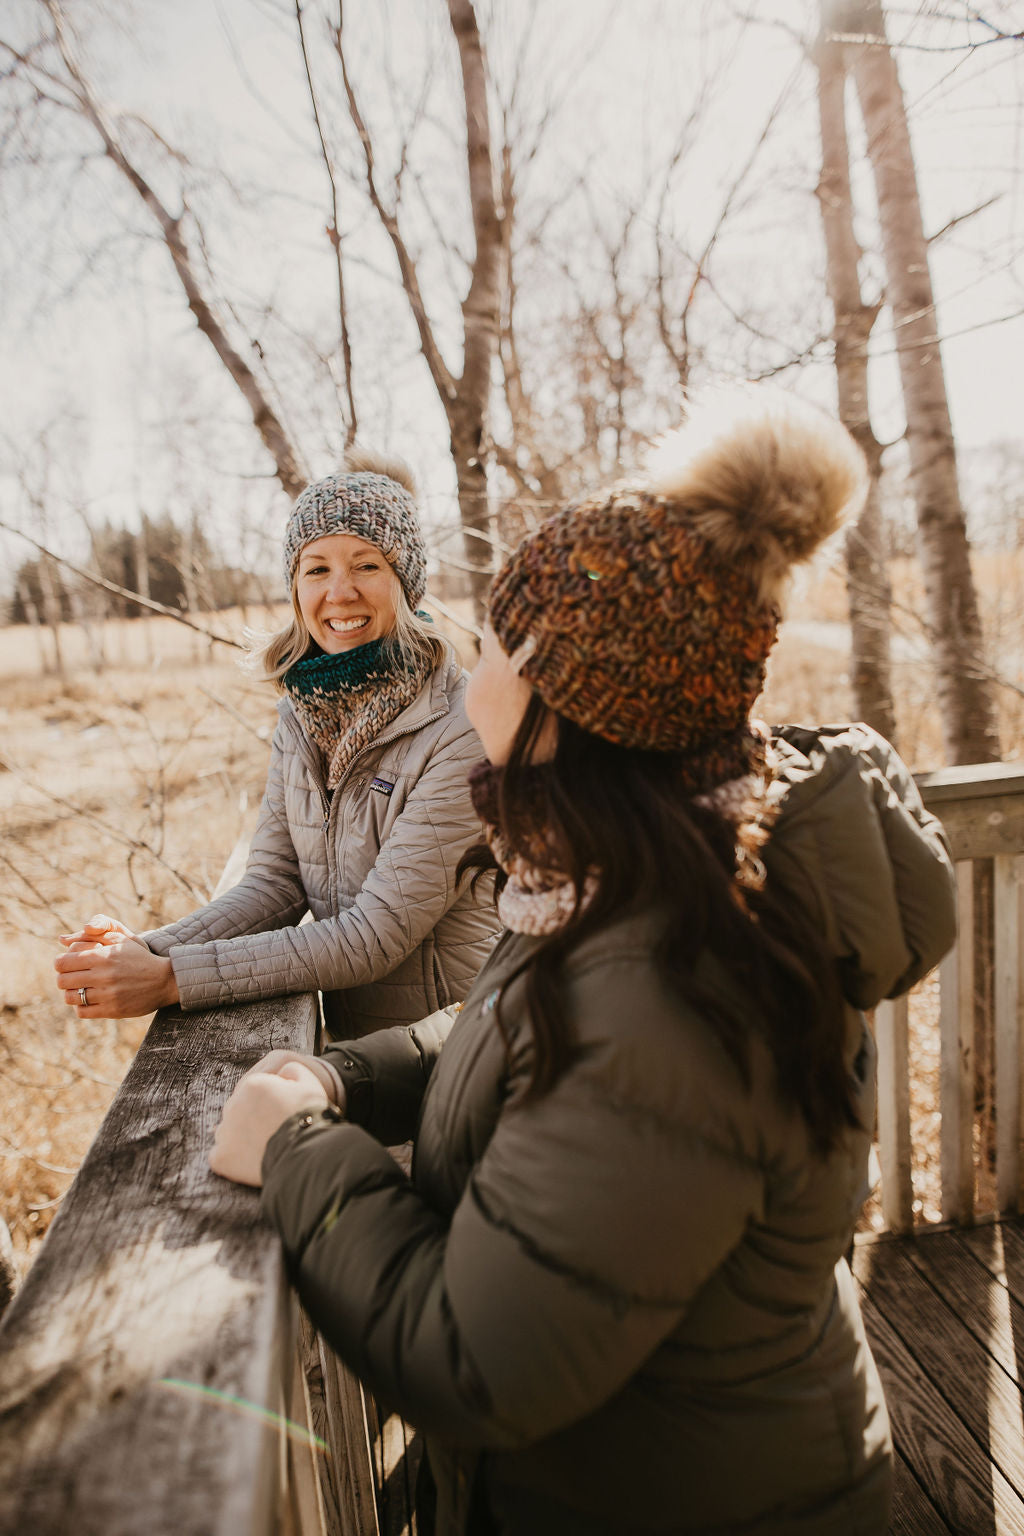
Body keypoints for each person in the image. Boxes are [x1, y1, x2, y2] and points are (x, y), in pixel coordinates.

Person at [210, 387, 957, 1536]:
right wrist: (346, 1082)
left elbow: (475, 1359)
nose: (472, 674)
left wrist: (299, 1158)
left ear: (570, 709)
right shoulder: (627, 881)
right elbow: (520, 1026)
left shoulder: (684, 980)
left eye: (501, 646)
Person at [54, 451, 499, 1040]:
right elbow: (275, 886)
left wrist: (169, 978)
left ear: (406, 581)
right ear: (294, 587)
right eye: (316, 569)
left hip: (459, 1052)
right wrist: (140, 950)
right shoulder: (301, 715)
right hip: (360, 1055)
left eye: (365, 565)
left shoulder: (462, 727)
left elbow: (373, 935)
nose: (339, 593)